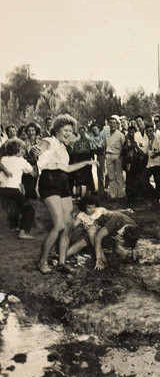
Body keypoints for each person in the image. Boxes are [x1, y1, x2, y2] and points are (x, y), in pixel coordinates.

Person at [33, 114, 98, 274]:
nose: (69, 133)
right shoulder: (49, 141)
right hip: (49, 181)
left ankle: (62, 262)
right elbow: (36, 151)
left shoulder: (64, 147)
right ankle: (42, 262)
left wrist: (87, 163)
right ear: (57, 129)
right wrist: (32, 150)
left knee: (68, 225)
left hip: (63, 182)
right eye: (66, 130)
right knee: (59, 225)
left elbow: (67, 169)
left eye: (70, 131)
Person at [0, 138, 36, 239]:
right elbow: (30, 170)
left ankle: (13, 226)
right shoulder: (21, 161)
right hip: (13, 189)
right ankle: (23, 232)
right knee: (28, 208)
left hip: (2, 188)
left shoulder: (3, 159)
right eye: (23, 149)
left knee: (11, 207)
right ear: (19, 150)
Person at [105, 116, 126, 199]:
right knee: (111, 176)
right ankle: (113, 195)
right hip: (108, 155)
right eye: (111, 123)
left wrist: (121, 156)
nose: (112, 124)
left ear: (117, 124)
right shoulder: (106, 134)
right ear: (108, 124)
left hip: (117, 155)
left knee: (119, 176)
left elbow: (124, 146)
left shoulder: (120, 135)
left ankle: (120, 195)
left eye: (114, 123)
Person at [72, 126, 95, 198]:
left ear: (85, 132)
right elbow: (76, 151)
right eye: (81, 131)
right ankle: (78, 194)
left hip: (87, 160)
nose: (82, 132)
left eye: (83, 131)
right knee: (78, 178)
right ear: (79, 132)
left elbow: (90, 151)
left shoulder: (89, 141)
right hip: (79, 160)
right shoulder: (77, 142)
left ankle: (88, 194)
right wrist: (83, 150)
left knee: (88, 177)